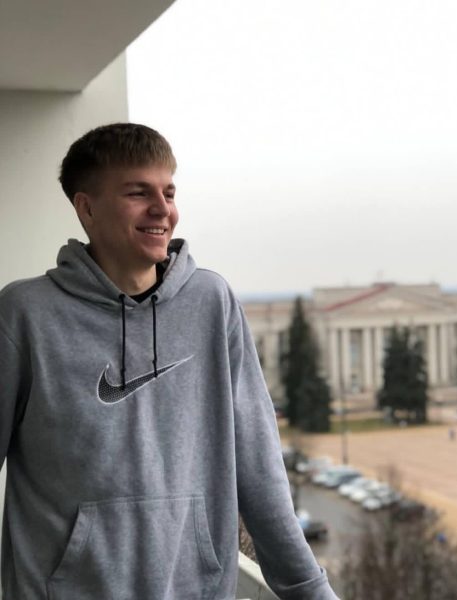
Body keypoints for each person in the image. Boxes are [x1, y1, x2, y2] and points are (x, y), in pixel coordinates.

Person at [0, 123, 340, 599]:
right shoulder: (25, 314)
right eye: (139, 193)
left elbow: (259, 469)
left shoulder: (211, 303)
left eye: (169, 192)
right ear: (87, 207)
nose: (163, 209)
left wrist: (309, 590)